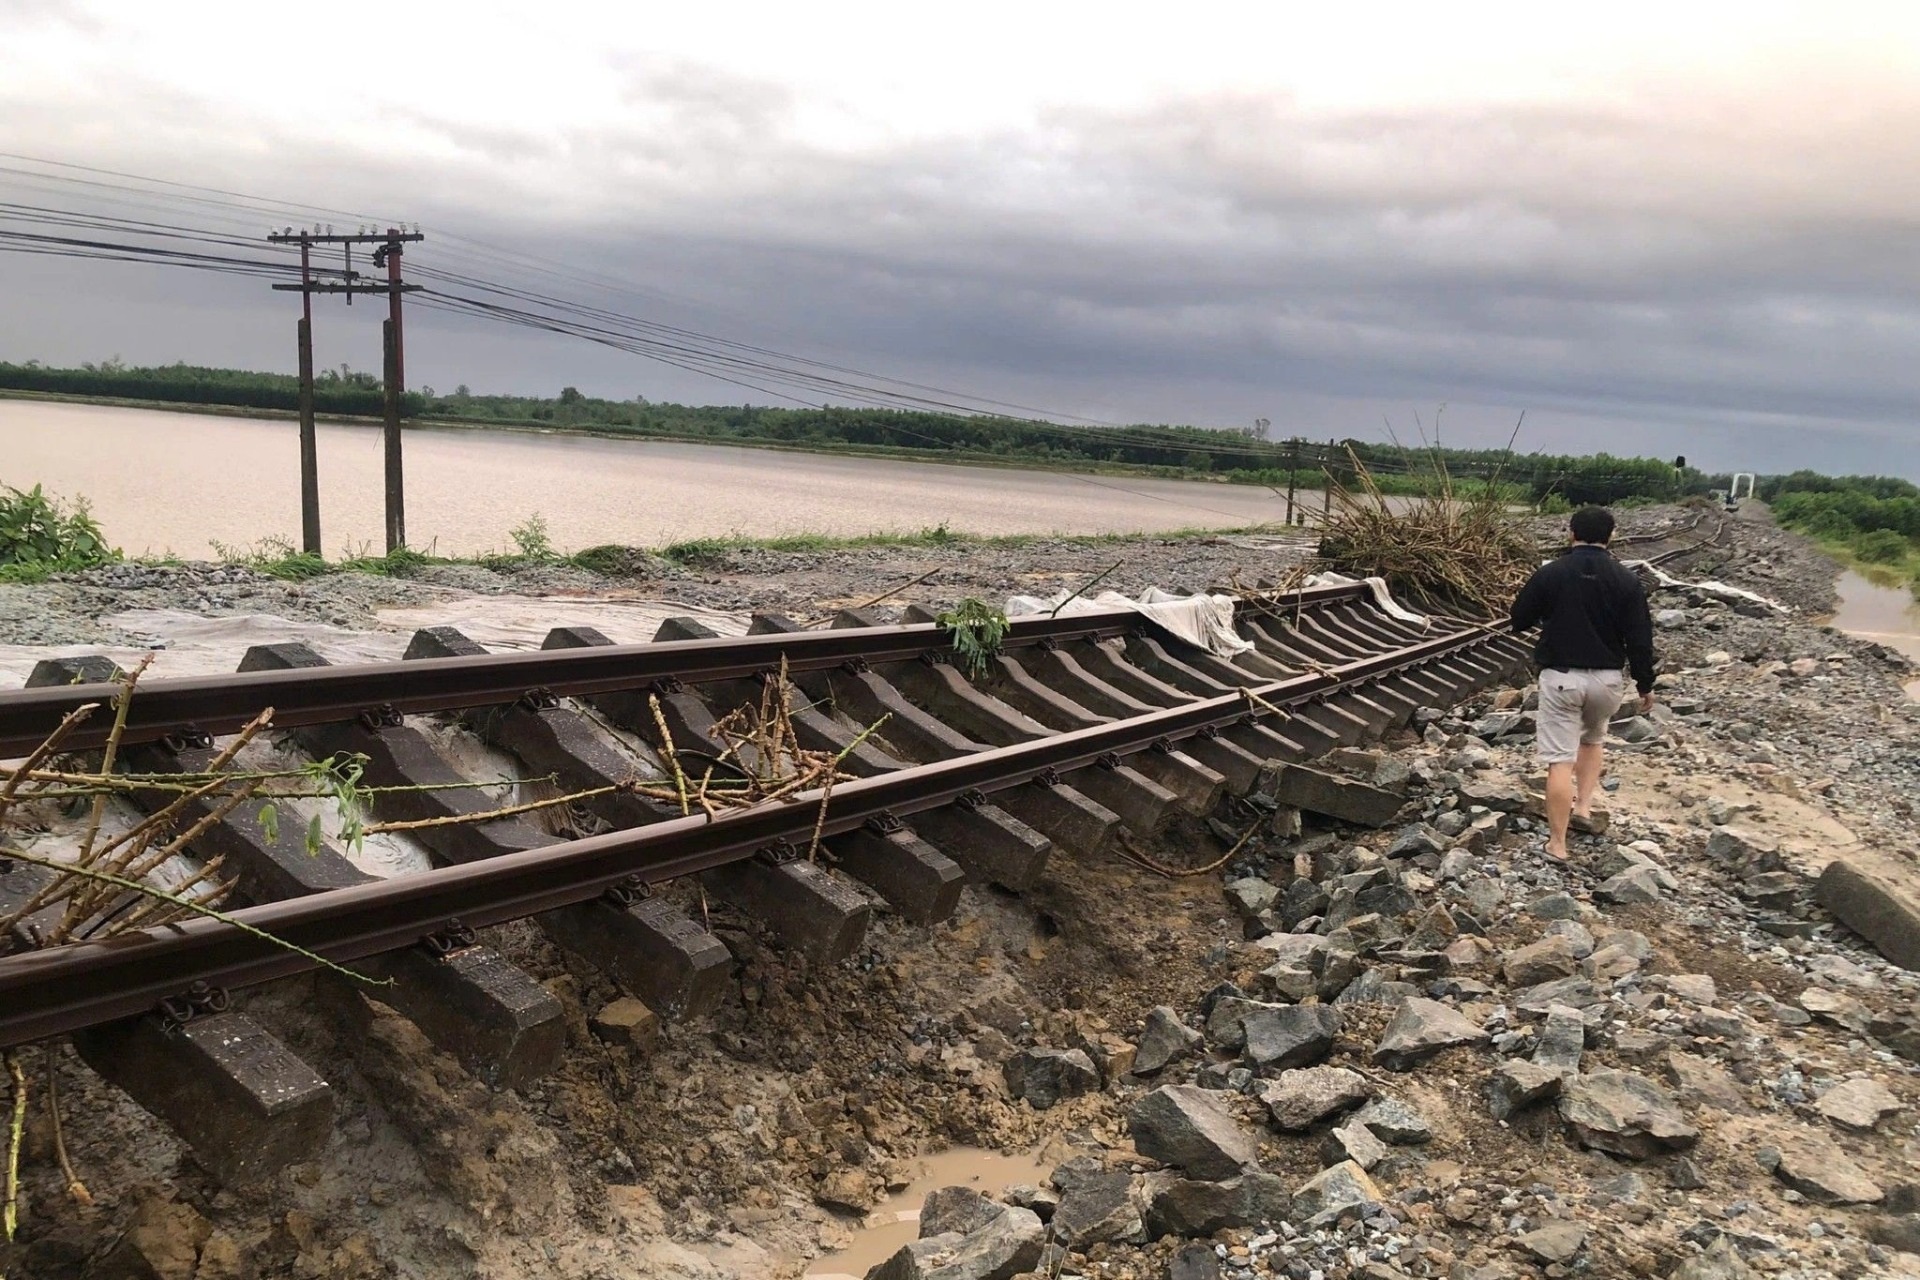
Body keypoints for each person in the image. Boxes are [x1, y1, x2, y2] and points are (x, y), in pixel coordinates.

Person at [1509, 506, 1657, 861]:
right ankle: (1584, 809)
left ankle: (1557, 844)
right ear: (1612, 535)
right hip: (1606, 680)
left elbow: (1518, 618)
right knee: (1593, 739)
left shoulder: (1552, 573)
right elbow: (1640, 639)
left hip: (1561, 678)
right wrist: (1644, 684)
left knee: (1559, 760)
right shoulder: (1626, 579)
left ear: (1571, 532)